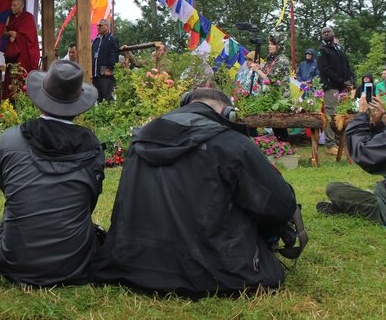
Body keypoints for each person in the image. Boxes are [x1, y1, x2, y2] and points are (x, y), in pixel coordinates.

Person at [92, 87, 298, 298]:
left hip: (132, 264)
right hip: (215, 275)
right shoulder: (233, 144)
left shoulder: (139, 141)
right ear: (228, 114)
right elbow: (280, 206)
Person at [0, 60, 104, 286]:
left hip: (14, 261)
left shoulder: (10, 139)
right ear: (78, 104)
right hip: (75, 264)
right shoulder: (92, 145)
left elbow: (6, 187)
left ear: (41, 98)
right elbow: (89, 200)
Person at [315, 76, 386, 226]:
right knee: (378, 187)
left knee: (335, 189)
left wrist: (361, 116)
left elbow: (363, 153)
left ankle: (346, 207)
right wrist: (377, 125)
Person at [316, 27, 354, 155]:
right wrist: (342, 81)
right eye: (323, 33)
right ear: (322, 36)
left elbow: (347, 66)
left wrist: (351, 80)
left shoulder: (339, 49)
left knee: (341, 114)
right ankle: (330, 144)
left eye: (328, 31)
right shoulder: (322, 50)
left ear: (333, 33)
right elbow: (325, 70)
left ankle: (340, 142)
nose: (326, 34)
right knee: (330, 113)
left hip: (342, 86)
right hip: (331, 86)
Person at [1, 0, 39, 100]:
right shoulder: (10, 18)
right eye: (12, 5)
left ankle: (24, 100)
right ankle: (9, 102)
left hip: (24, 54)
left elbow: (31, 38)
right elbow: (3, 32)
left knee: (22, 76)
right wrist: (9, 33)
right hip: (13, 54)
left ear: (22, 6)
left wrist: (18, 36)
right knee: (11, 77)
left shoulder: (28, 18)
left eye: (15, 5)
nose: (12, 8)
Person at [91, 19, 119, 101]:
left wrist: (110, 69)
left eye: (100, 25)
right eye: (97, 25)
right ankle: (101, 113)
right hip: (96, 74)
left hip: (105, 74)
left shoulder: (111, 39)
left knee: (107, 97)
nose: (98, 27)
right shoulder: (96, 40)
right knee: (98, 97)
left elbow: (114, 55)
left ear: (106, 26)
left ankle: (111, 112)